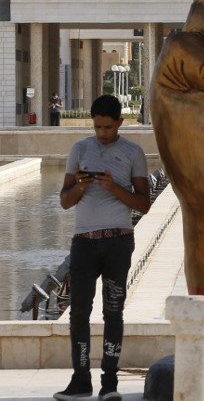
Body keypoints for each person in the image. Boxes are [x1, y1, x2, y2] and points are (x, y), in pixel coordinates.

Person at [55, 95, 150, 401]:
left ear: (120, 123)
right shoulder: (80, 150)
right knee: (79, 312)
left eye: (108, 127)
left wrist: (113, 187)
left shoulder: (133, 152)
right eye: (97, 127)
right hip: (84, 243)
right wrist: (81, 185)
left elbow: (144, 204)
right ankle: (80, 380)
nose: (102, 133)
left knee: (113, 311)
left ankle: (109, 384)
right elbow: (64, 201)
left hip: (117, 243)